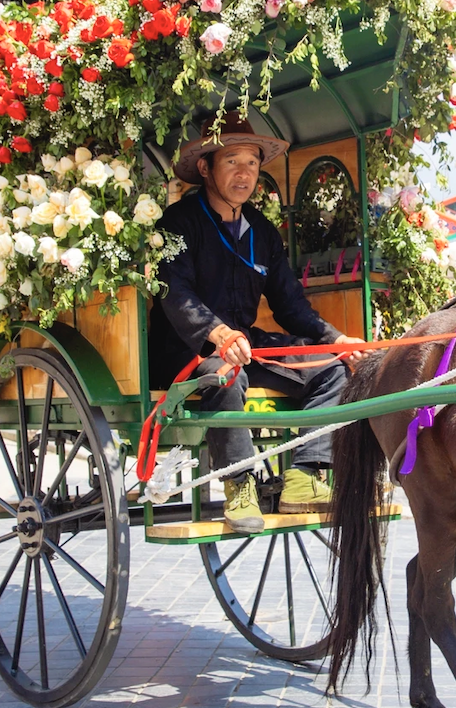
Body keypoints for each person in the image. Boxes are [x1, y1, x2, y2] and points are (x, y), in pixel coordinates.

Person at [152, 111, 367, 531]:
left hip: (246, 344)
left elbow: (291, 305)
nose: (244, 174)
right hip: (187, 351)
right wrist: (216, 334)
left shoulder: (263, 233)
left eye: (252, 163)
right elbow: (173, 293)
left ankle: (305, 477)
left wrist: (338, 339)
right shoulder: (178, 223)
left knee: (333, 369)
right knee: (224, 373)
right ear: (205, 167)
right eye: (232, 161)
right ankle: (238, 484)